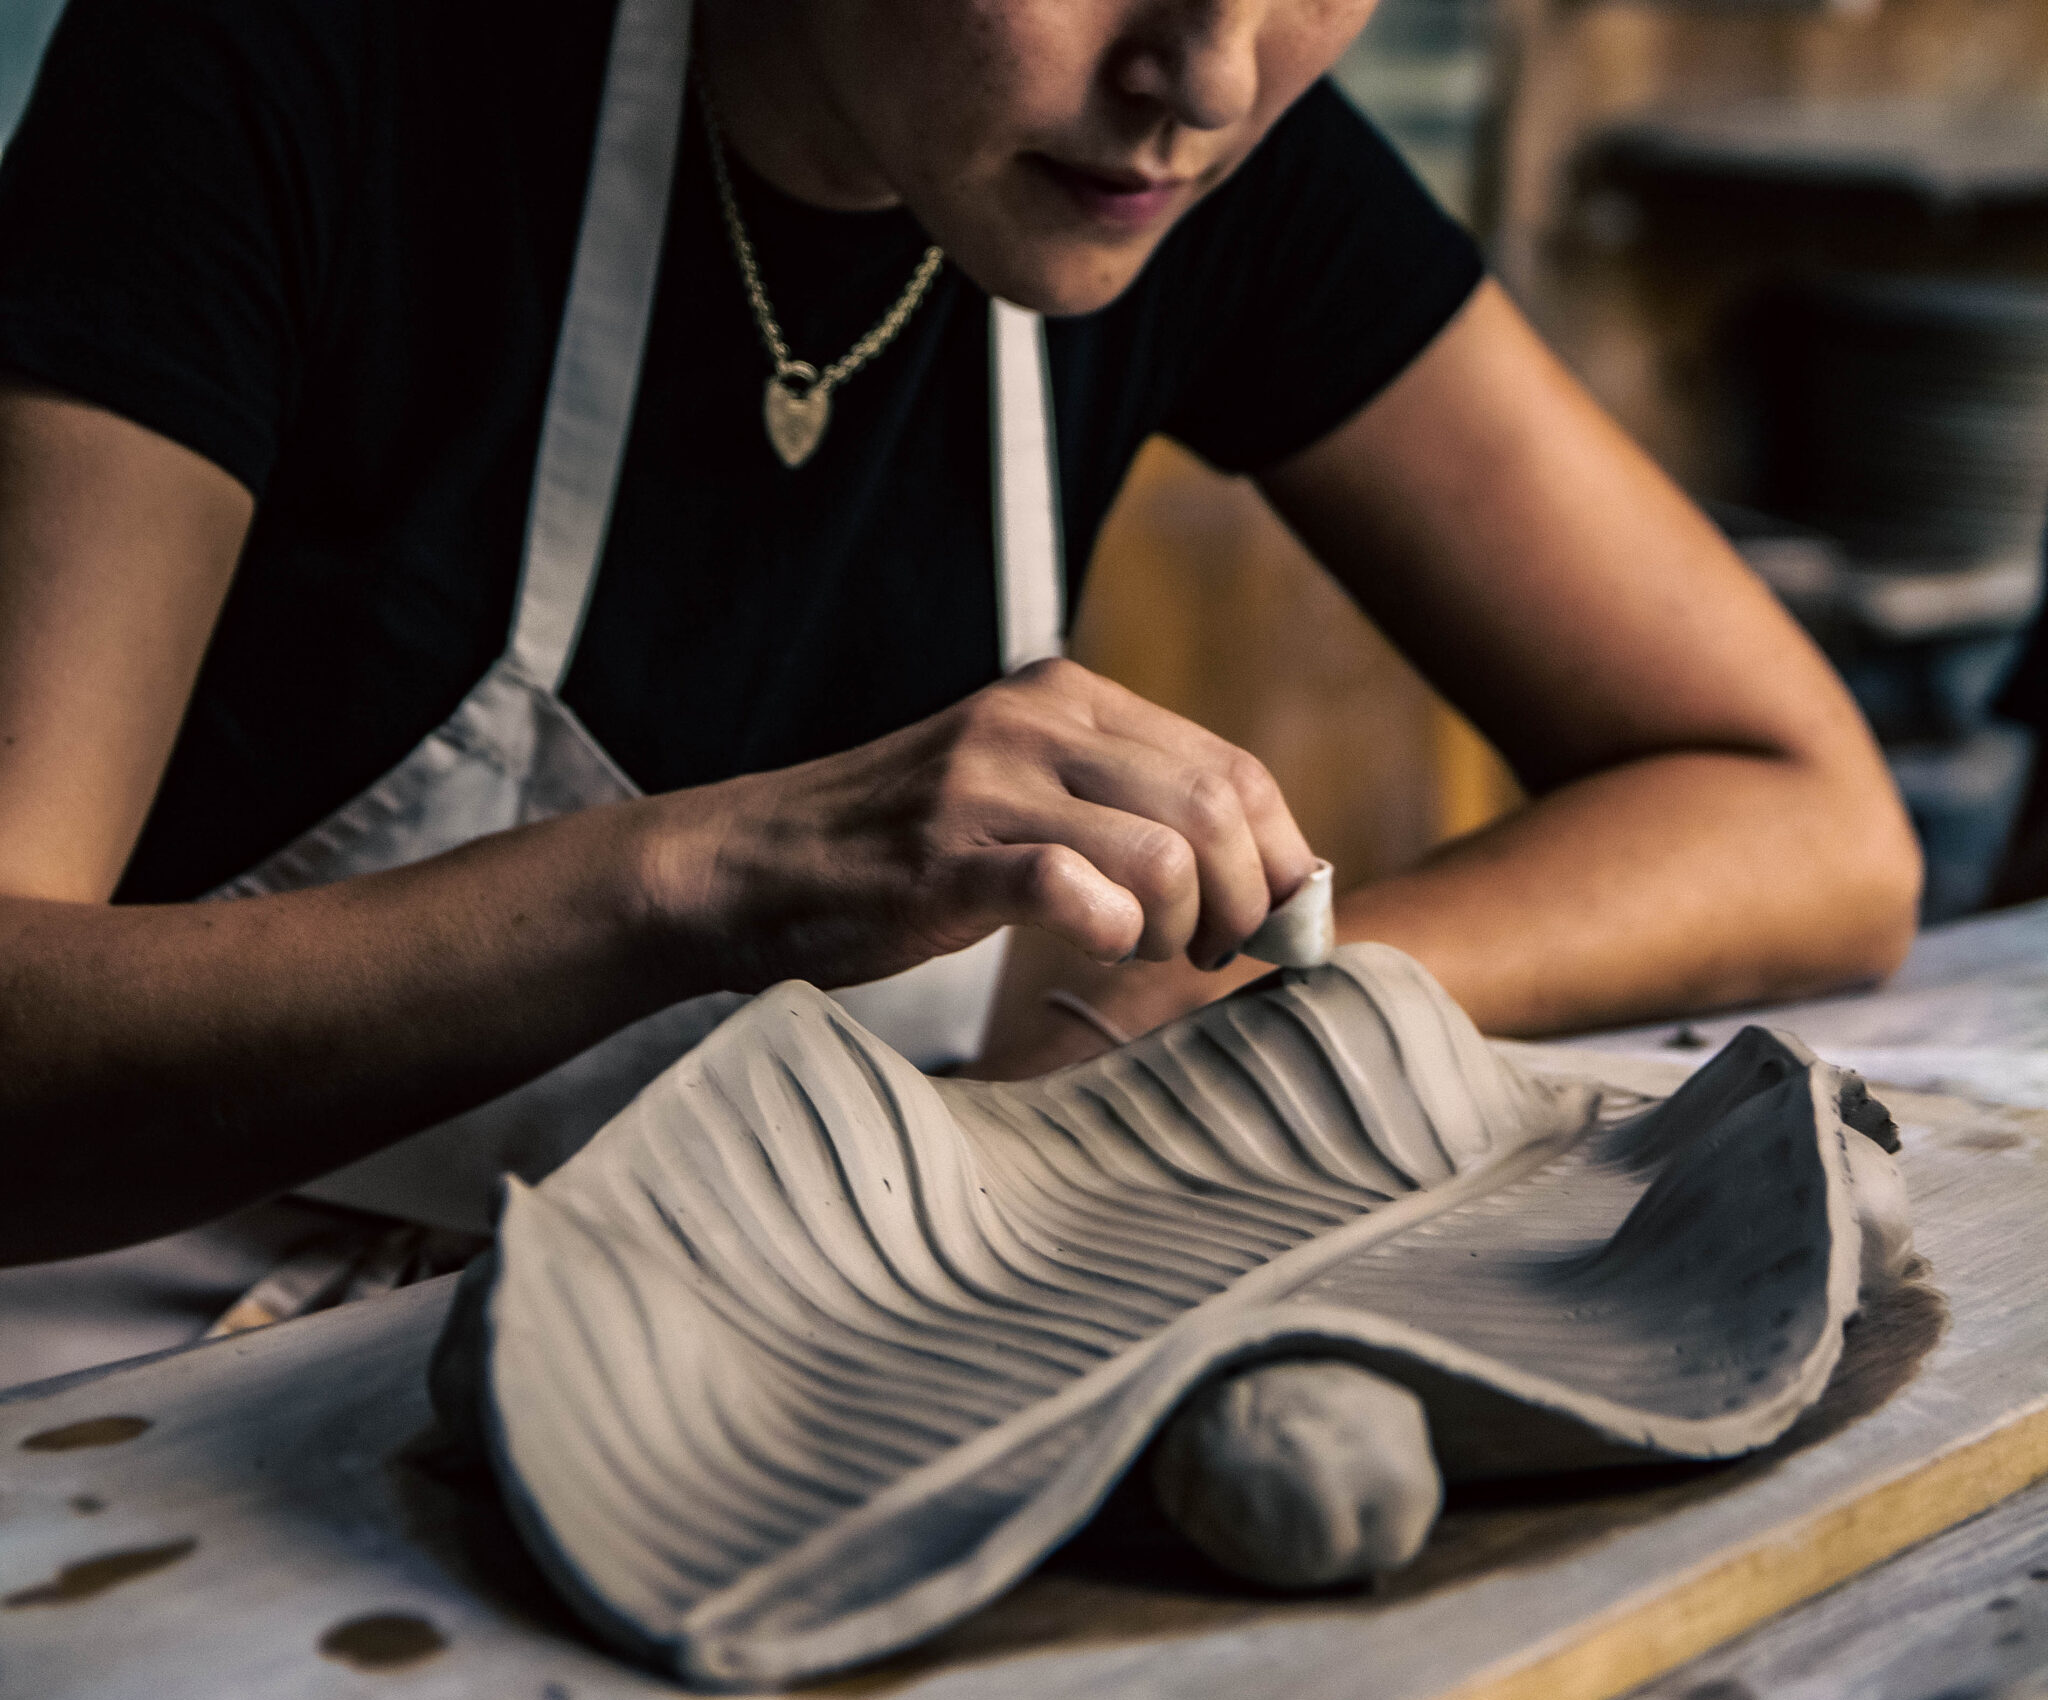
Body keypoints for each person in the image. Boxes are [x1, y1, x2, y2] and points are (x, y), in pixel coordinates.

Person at [0, 0, 1918, 1377]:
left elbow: (1802, 811)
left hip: (779, 1350)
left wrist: (1213, 1015)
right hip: (147, 1373)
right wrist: (705, 879)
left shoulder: (1186, 165)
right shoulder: (276, 61)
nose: (1209, 76)